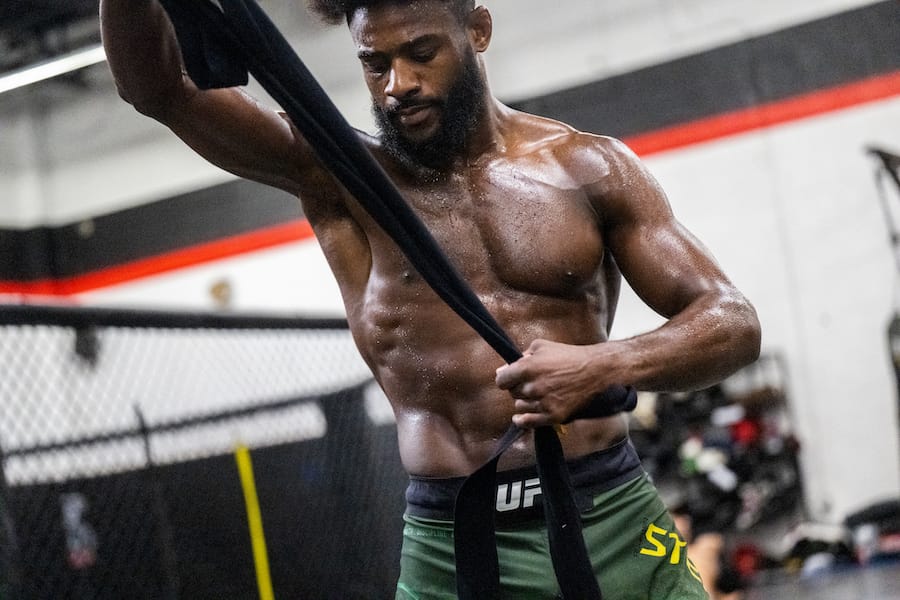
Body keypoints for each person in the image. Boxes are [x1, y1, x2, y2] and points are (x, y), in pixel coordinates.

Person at [100, 0, 761, 597]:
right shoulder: (339, 177)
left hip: (609, 513)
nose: (399, 84)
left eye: (421, 53)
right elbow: (158, 89)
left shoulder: (588, 168)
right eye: (376, 64)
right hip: (452, 544)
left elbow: (732, 322)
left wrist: (602, 366)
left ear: (478, 30)